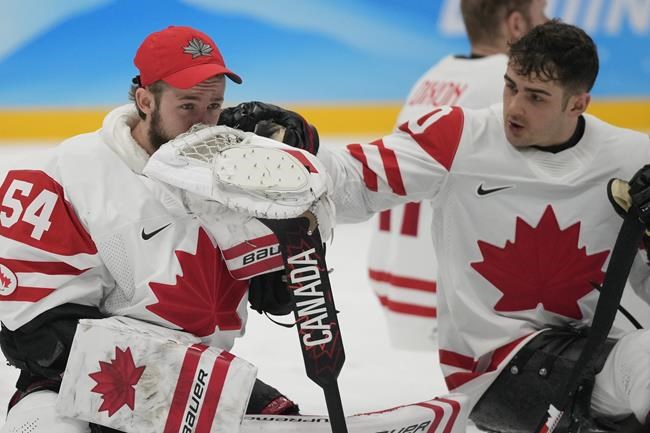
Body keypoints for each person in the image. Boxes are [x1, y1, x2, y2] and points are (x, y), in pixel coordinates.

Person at [222, 21, 650, 432]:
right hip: (495, 369)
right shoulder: (461, 138)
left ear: (578, 104)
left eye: (536, 97)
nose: (515, 108)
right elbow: (352, 183)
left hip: (605, 361)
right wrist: (301, 145)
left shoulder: (633, 159)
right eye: (510, 86)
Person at [0, 25, 304, 433]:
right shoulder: (68, 173)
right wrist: (180, 383)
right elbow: (37, 336)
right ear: (145, 100)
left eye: (214, 106)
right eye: (188, 106)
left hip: (202, 382)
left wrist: (298, 179)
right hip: (70, 387)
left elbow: (279, 294)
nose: (203, 124)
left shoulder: (236, 173)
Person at [367, 0, 548, 351]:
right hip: (444, 295)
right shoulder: (510, 86)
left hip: (394, 278)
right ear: (515, 25)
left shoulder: (436, 75)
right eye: (540, 15)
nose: (549, 22)